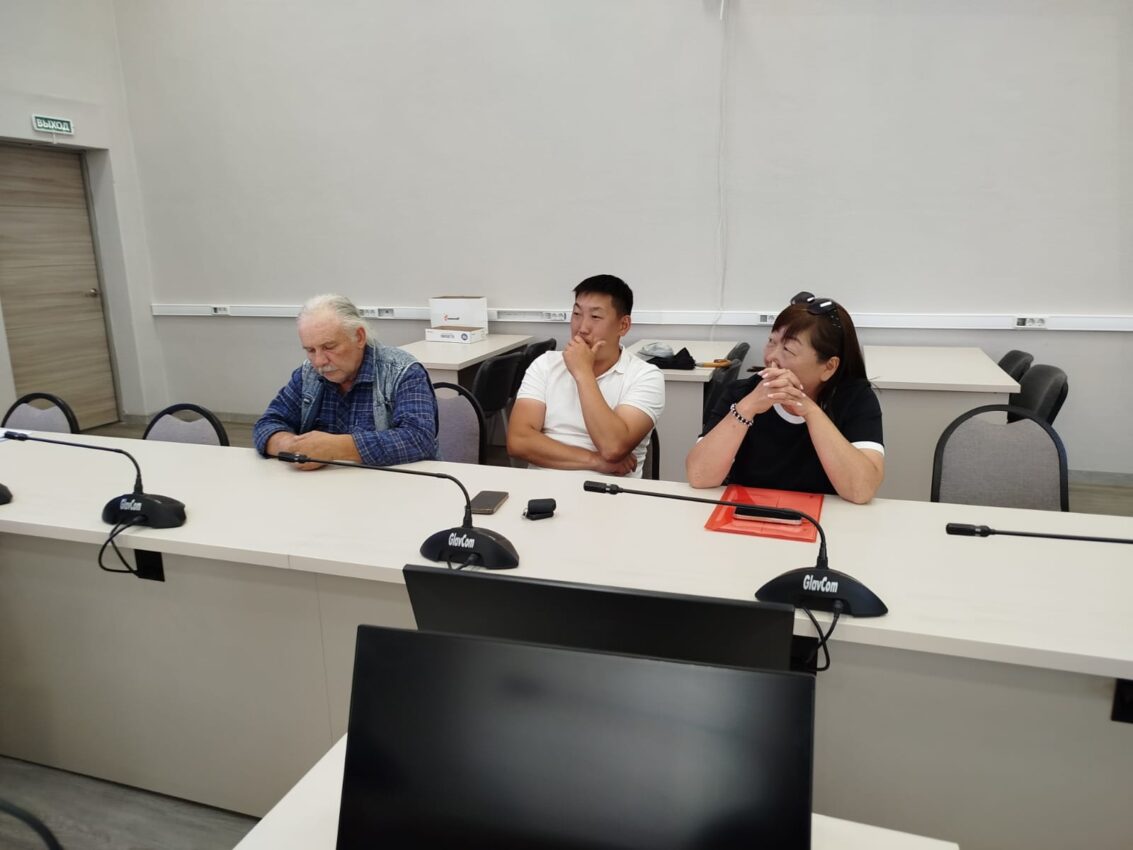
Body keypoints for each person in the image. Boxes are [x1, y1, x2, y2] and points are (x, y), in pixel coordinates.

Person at [686, 292, 884, 503]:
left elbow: (861, 490)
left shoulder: (855, 399)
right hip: (750, 512)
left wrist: (809, 410)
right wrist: (747, 408)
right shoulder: (742, 393)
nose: (771, 357)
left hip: (827, 518)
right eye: (771, 342)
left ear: (829, 367)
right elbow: (699, 477)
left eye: (788, 349)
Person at [253, 294, 438, 470]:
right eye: (310, 350)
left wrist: (336, 448)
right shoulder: (307, 374)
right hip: (322, 486)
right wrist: (291, 445)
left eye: (329, 347)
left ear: (359, 337)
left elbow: (419, 438)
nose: (319, 361)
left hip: (395, 484)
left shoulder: (403, 372)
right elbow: (267, 424)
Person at [507, 275, 664, 478]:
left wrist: (583, 373)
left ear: (623, 325)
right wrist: (595, 461)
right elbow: (518, 441)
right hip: (542, 486)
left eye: (595, 317)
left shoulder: (645, 376)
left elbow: (613, 447)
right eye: (577, 314)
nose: (581, 328)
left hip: (610, 491)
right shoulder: (545, 364)